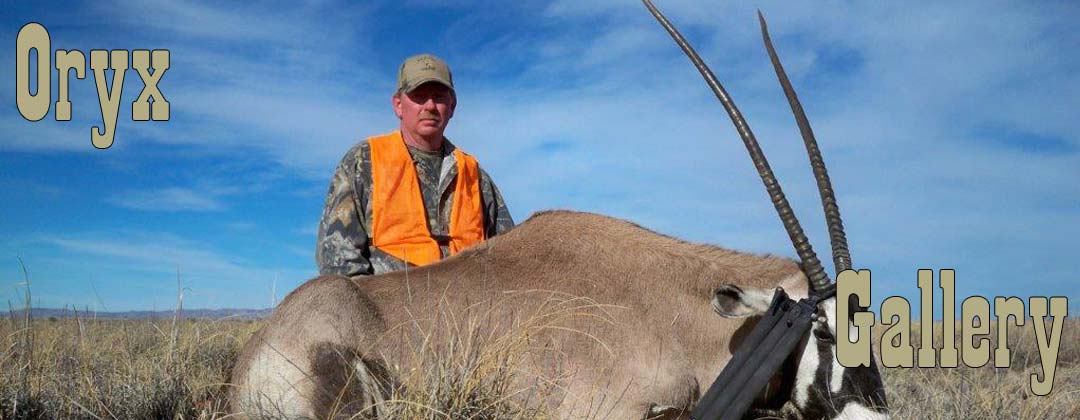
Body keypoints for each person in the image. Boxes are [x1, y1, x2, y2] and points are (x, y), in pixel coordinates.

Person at [316, 54, 514, 277]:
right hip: (388, 309)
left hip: (470, 308)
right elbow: (339, 268)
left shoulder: (474, 174)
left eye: (439, 97)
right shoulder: (363, 161)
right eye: (419, 96)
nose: (429, 106)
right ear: (398, 105)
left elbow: (508, 258)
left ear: (452, 106)